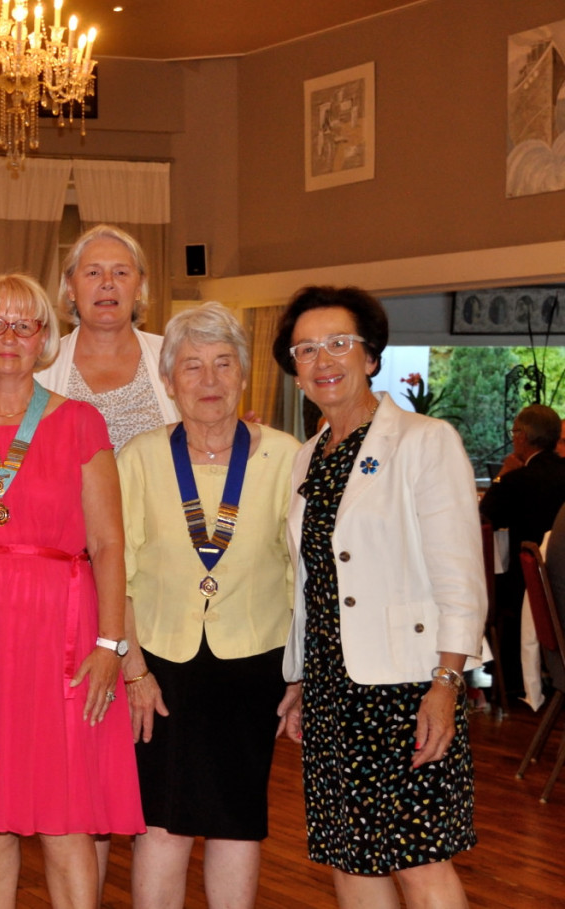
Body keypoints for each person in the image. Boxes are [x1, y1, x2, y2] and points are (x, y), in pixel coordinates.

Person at [0, 273, 143, 909]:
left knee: (66, 808)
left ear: (44, 338)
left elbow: (110, 545)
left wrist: (111, 643)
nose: (9, 337)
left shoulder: (79, 423)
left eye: (26, 324)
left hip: (63, 633)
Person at [272, 285, 484, 908]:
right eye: (306, 349)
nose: (323, 360)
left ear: (371, 356)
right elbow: (314, 584)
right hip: (334, 689)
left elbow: (460, 578)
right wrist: (301, 680)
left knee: (419, 859)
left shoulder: (424, 440)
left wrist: (447, 684)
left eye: (340, 343)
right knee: (348, 853)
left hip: (406, 686)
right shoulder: (308, 456)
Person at [116, 304, 300, 909]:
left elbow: (303, 573)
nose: (209, 380)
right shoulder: (140, 457)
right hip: (160, 663)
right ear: (168, 382)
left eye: (223, 364)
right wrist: (134, 668)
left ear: (244, 374)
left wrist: (300, 671)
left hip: (253, 662)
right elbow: (115, 570)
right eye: (191, 367)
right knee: (162, 820)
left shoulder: (285, 456)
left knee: (237, 818)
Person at [37, 224, 179, 452]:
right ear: (70, 287)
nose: (107, 282)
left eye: (120, 272)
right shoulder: (41, 368)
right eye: (93, 273)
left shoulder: (175, 357)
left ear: (140, 286)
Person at [480, 404, 565, 698]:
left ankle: (508, 676)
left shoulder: (516, 480)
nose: (513, 437)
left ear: (523, 437)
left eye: (515, 431)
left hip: (525, 582)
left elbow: (486, 514)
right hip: (561, 579)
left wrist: (503, 474)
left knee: (491, 587)